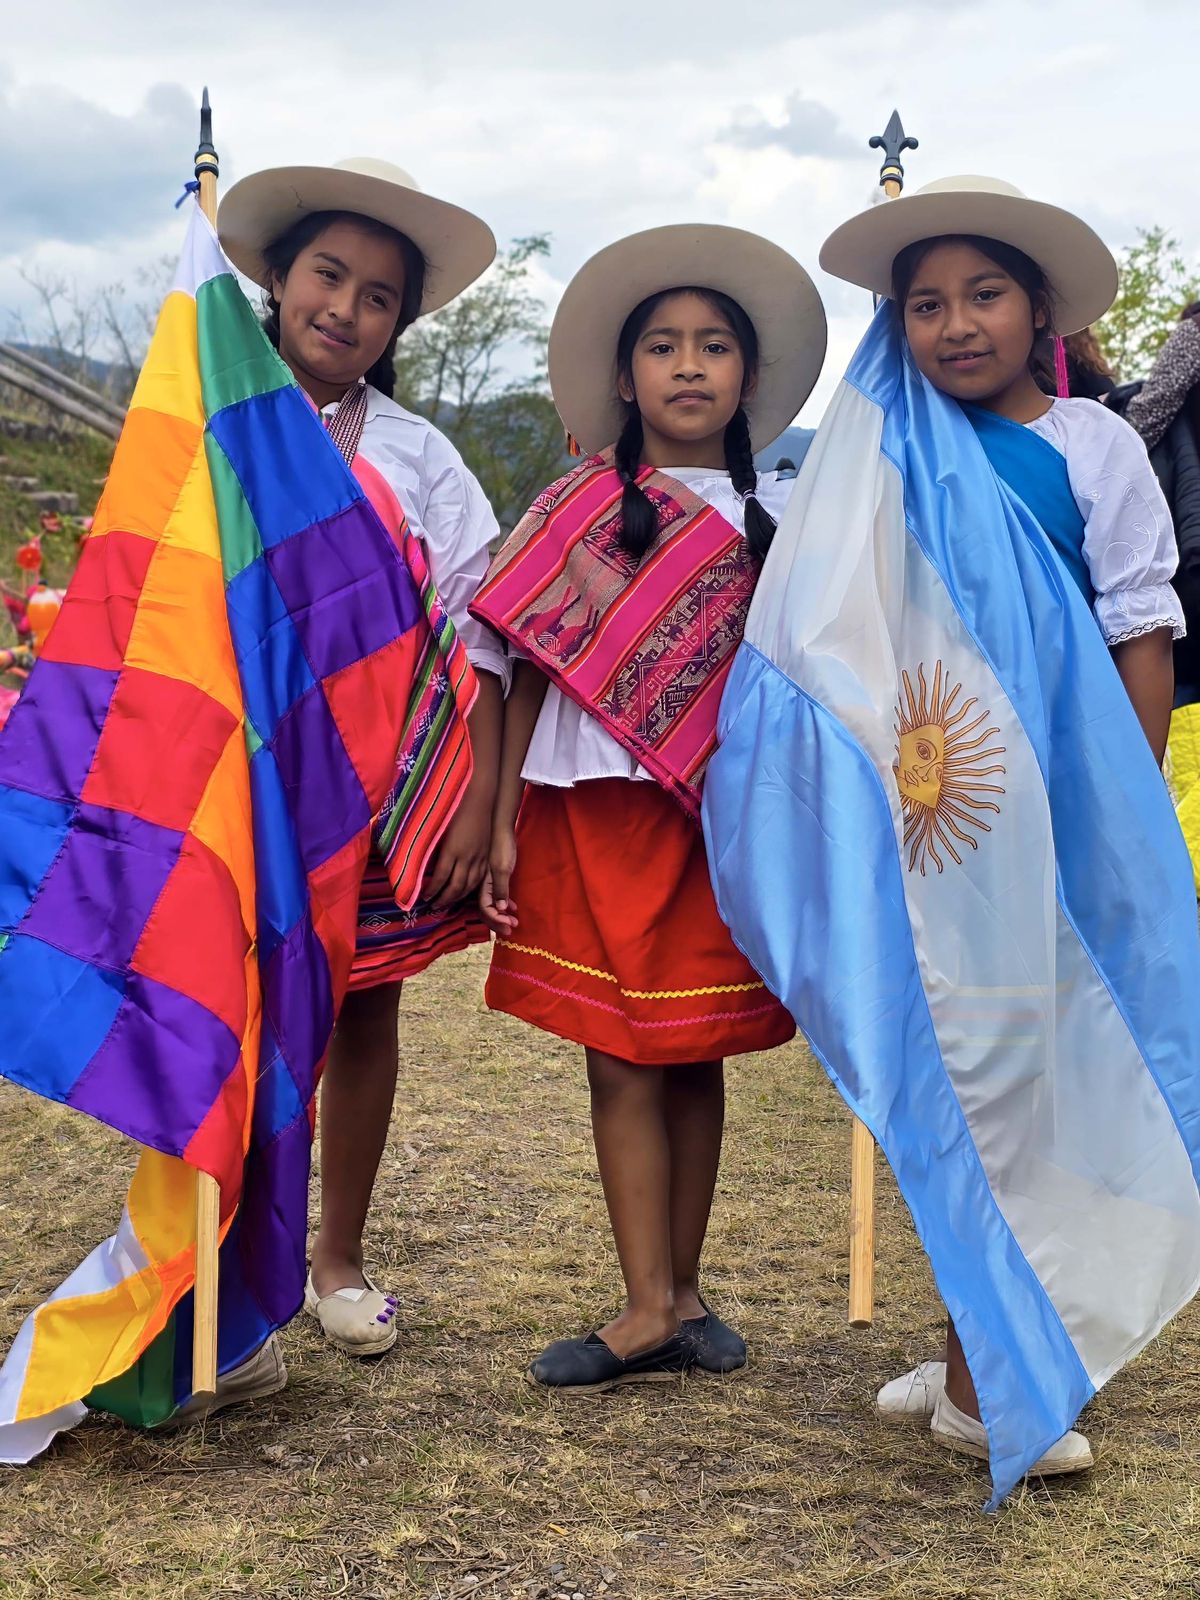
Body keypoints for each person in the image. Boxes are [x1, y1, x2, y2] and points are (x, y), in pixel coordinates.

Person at [815, 176, 1185, 1476]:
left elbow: (1140, 627)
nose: (957, 324)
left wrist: (1118, 813)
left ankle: (1007, 1361)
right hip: (936, 815)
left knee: (1041, 1082)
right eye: (925, 304)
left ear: (1040, 313)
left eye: (983, 296)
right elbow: (841, 635)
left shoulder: (1098, 449)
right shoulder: (882, 452)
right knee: (955, 1075)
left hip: (1066, 815)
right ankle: (979, 1346)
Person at [469, 225, 826, 1392]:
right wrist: (501, 812)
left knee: (695, 1047)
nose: (688, 365)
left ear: (748, 376)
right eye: (663, 346)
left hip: (710, 823)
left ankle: (683, 1288)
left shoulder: (782, 519)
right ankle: (641, 1304)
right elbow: (511, 661)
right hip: (589, 804)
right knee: (619, 1055)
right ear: (624, 377)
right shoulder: (573, 504)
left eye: (713, 345)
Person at [216, 158, 508, 1364]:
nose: (345, 306)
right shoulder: (214, 423)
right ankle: (221, 1247)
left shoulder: (419, 457)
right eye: (327, 274)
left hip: (372, 785)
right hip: (232, 773)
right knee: (221, 1001)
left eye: (378, 294)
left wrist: (480, 798)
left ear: (399, 322)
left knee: (362, 1005)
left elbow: (482, 631)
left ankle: (335, 1252)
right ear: (275, 279)